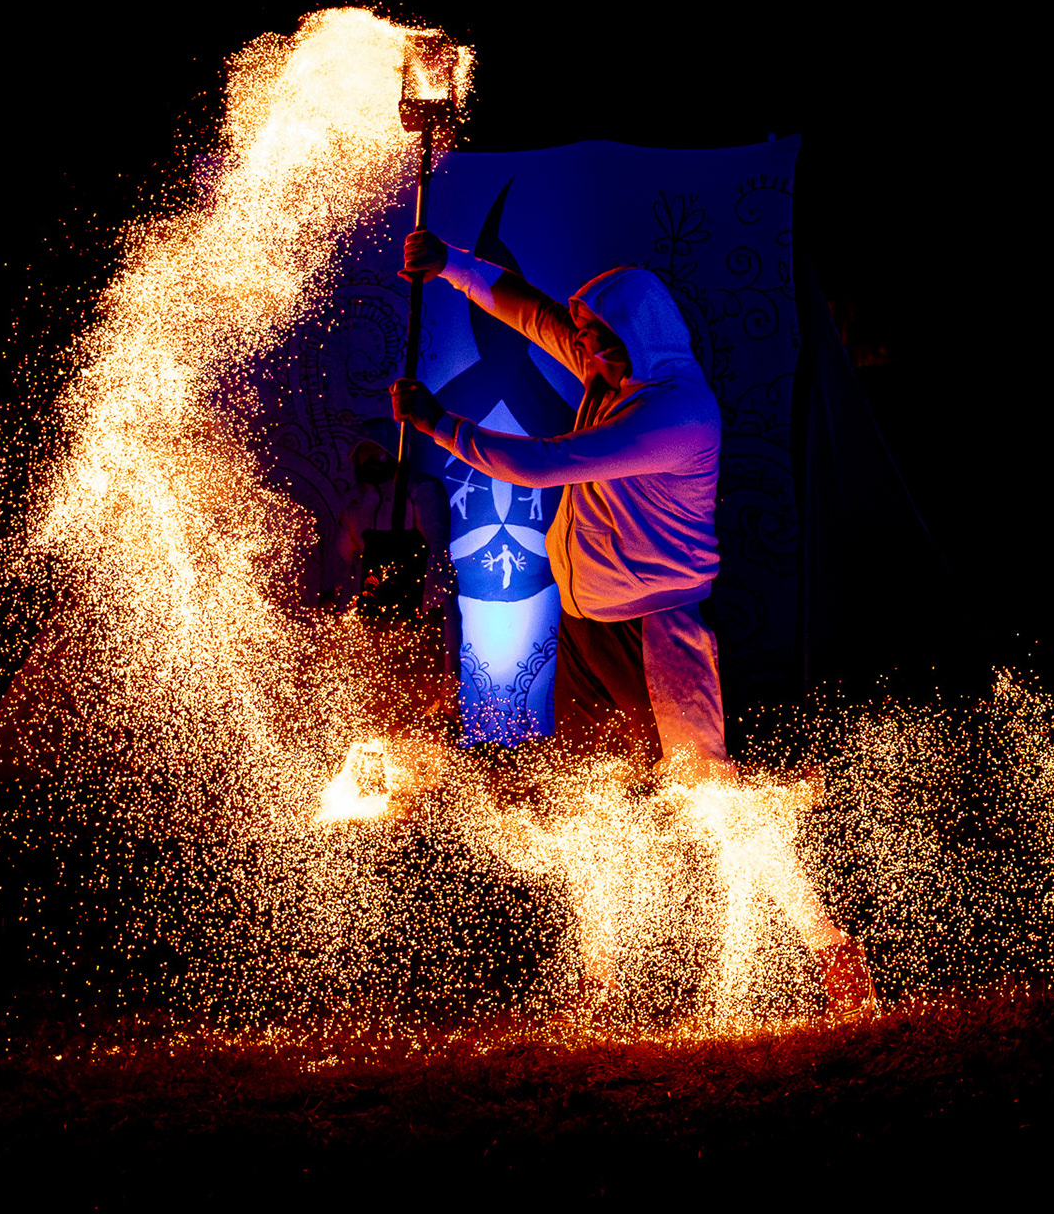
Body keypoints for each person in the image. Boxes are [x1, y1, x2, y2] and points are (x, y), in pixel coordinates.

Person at [391, 230, 874, 1014]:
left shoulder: (678, 413)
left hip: (658, 634)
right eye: (588, 340)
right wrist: (449, 264)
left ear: (638, 337)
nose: (586, 349)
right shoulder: (610, 371)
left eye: (600, 339)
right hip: (588, 630)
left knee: (715, 803)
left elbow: (545, 462)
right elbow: (530, 311)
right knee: (594, 799)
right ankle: (600, 979)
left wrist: (441, 425)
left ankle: (830, 949)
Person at [320, 417, 460, 692]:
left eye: (376, 451)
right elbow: (342, 563)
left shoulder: (422, 491)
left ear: (392, 451)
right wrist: (334, 606)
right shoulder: (355, 504)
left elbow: (438, 563)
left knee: (422, 709)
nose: (370, 459)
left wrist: (450, 679)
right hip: (372, 622)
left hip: (419, 622)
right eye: (363, 453)